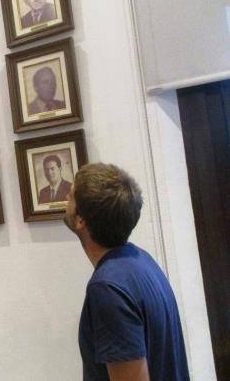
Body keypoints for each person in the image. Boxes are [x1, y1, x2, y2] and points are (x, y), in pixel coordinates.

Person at [63, 163, 190, 380]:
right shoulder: (141, 261)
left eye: (71, 195)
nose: (66, 196)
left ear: (81, 219)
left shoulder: (108, 288)